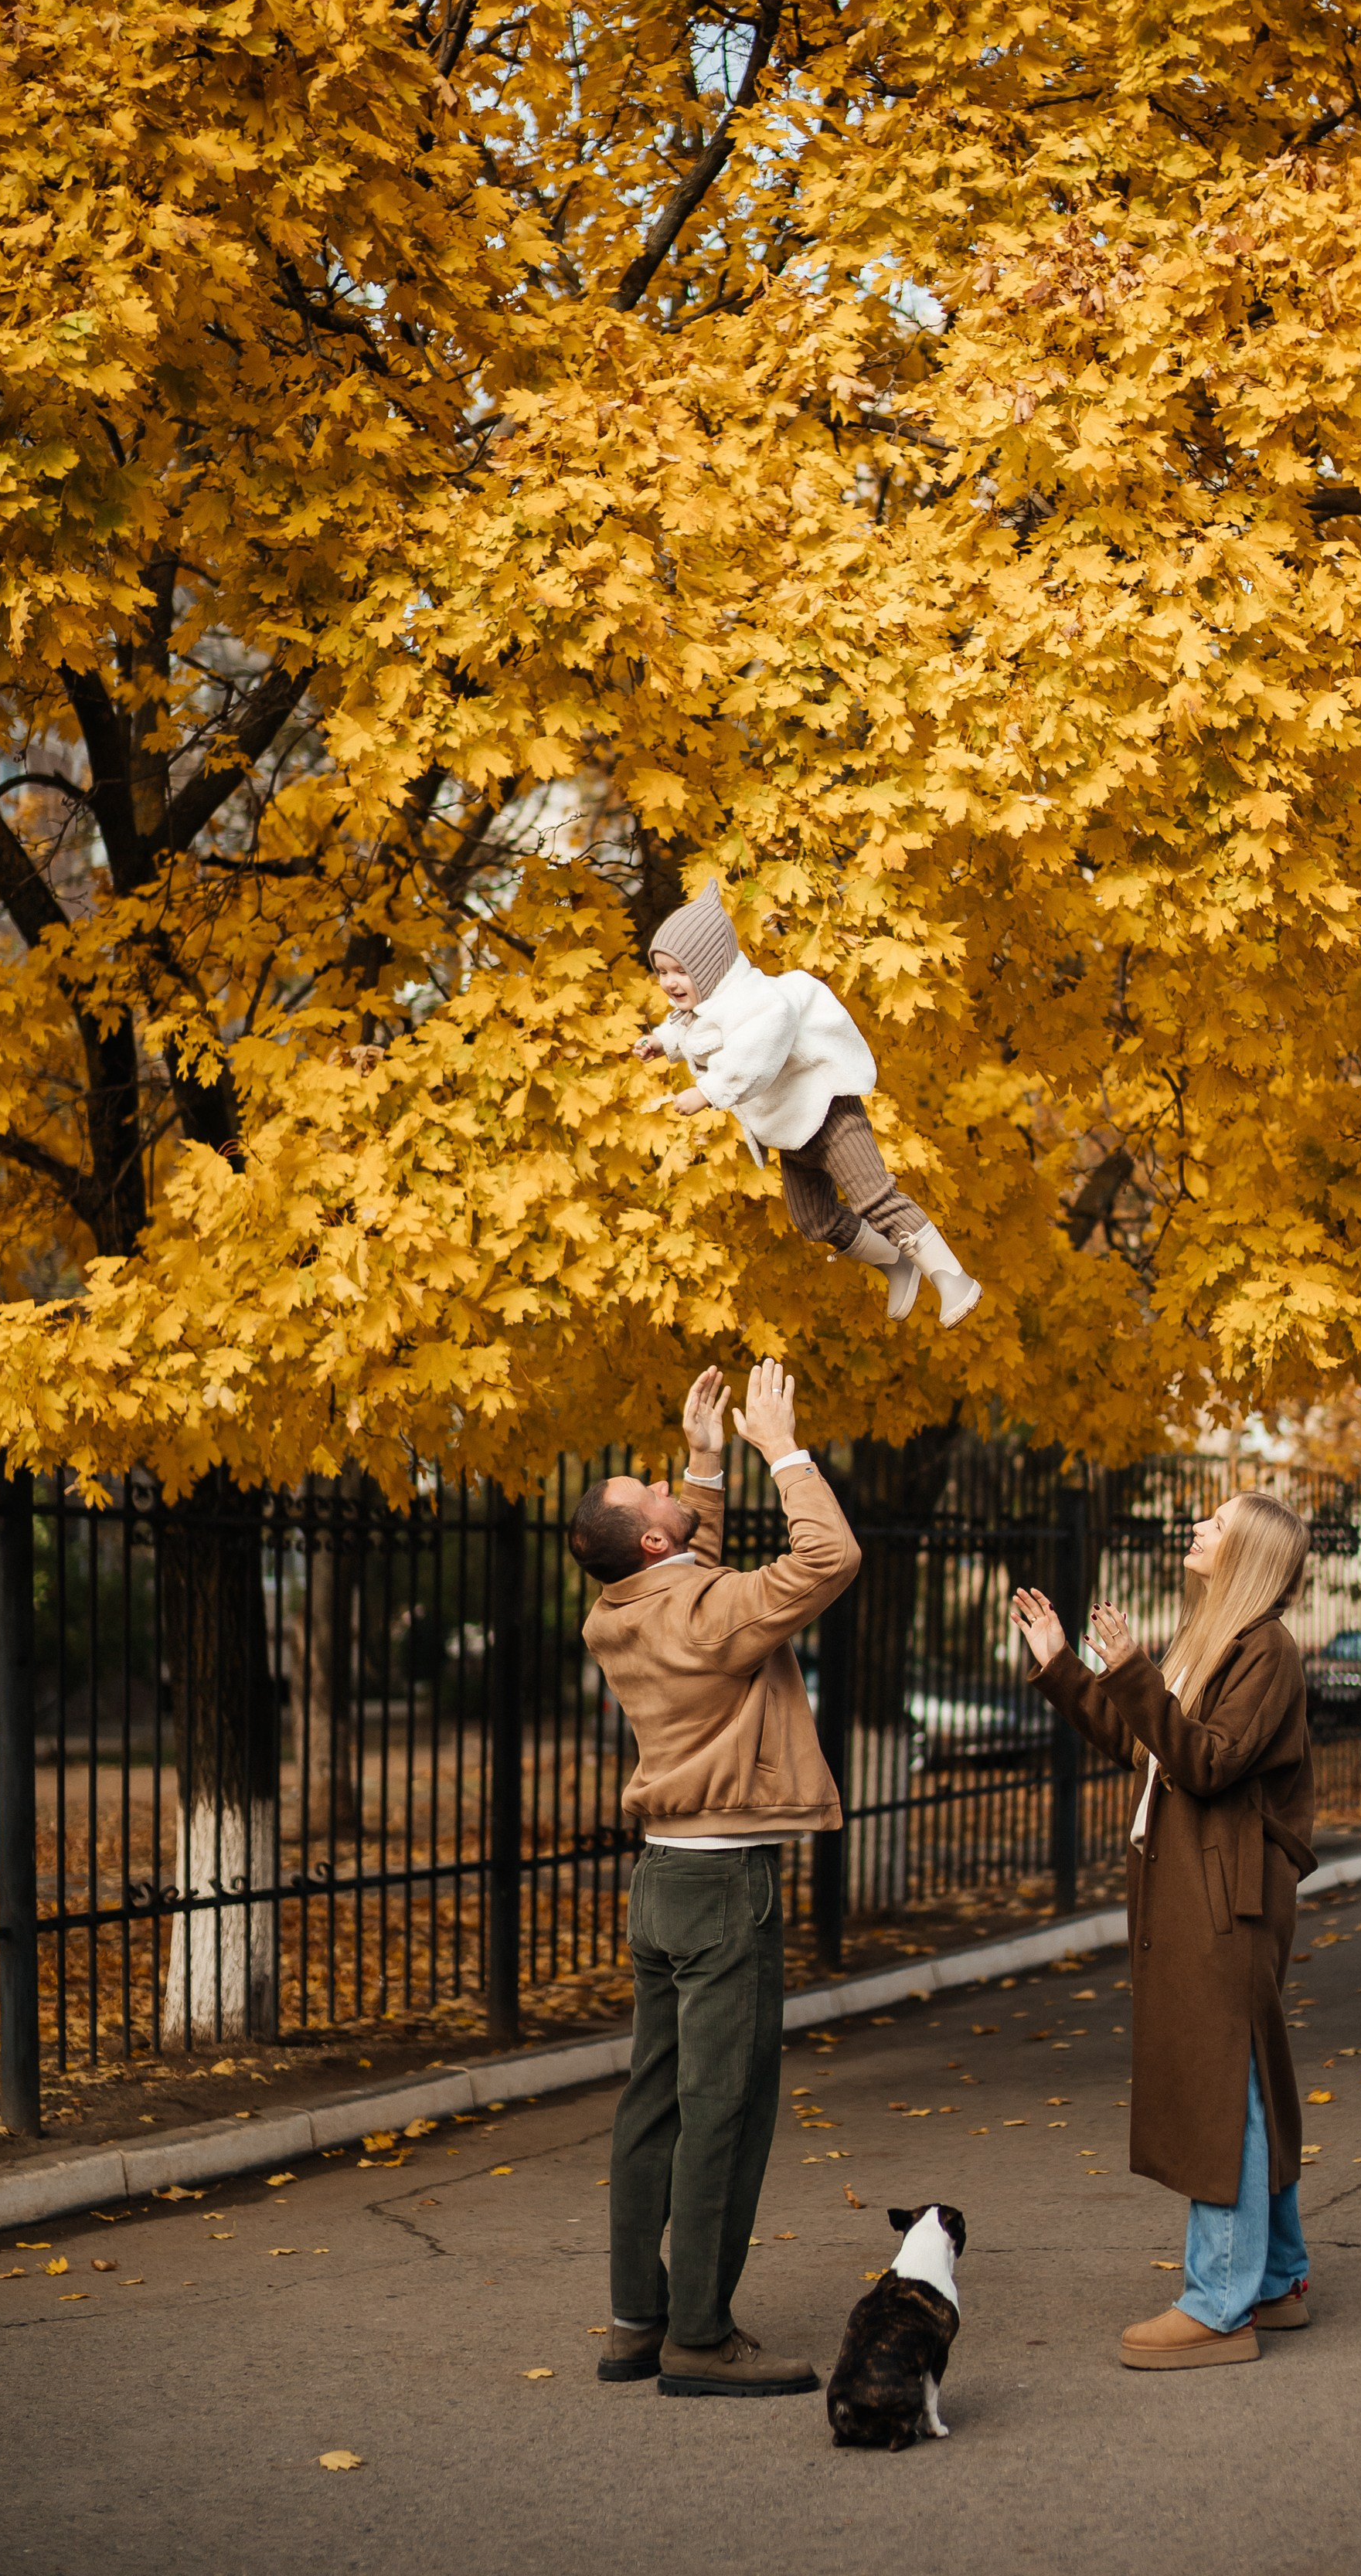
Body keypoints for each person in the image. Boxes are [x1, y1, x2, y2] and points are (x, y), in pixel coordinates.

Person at [573, 1358, 859, 2398]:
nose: (661, 1484)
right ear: (651, 1540)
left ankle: (632, 2322)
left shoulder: (619, 1611)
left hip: (662, 1883)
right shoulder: (699, 1610)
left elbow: (694, 1587)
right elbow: (827, 1558)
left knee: (653, 2103)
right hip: (726, 1887)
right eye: (651, 1492)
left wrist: (702, 1468)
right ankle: (699, 2335)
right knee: (723, 2110)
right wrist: (781, 1450)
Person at [1010, 1490, 1316, 2370]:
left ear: (1249, 1551)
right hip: (1200, 1887)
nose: (1197, 1530)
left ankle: (1220, 2305)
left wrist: (1137, 1671)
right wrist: (1068, 1668)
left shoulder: (1267, 1651)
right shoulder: (1217, 1640)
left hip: (1227, 1896)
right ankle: (1277, 2279)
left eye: (1214, 1525)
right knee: (1243, 2076)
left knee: (1219, 2087)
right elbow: (1149, 1748)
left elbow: (1208, 1763)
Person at [635, 876, 982, 1327]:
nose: (670, 983)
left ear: (711, 967)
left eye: (680, 971)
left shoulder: (759, 1001)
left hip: (827, 1112)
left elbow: (753, 1051)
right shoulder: (710, 1005)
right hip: (791, 1128)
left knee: (875, 1199)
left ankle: (954, 1280)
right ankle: (895, 1261)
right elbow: (691, 1028)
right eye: (661, 972)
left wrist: (707, 1092)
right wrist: (662, 1043)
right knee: (813, 1221)